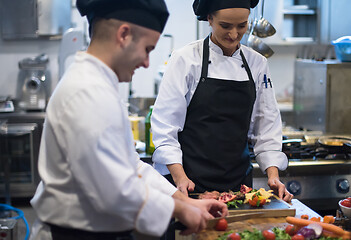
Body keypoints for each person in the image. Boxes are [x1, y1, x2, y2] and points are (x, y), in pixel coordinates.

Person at [29, 0, 228, 239]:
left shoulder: (97, 85)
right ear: (124, 34)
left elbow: (130, 166)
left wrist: (184, 202)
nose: (146, 63)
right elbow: (112, 191)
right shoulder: (86, 91)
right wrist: (180, 209)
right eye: (147, 49)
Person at [151, 0, 294, 202]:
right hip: (190, 183)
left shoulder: (257, 63)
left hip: (240, 185)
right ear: (209, 19)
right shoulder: (186, 59)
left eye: (242, 26)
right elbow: (165, 127)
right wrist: (180, 177)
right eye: (225, 26)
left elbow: (267, 126)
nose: (234, 35)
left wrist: (273, 176)